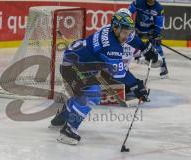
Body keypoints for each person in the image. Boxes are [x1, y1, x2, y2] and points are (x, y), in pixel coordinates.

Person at [49, 11, 158, 145]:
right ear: (116, 28)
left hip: (79, 63)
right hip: (72, 66)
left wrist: (144, 47)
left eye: (128, 32)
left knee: (86, 90)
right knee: (93, 93)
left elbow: (132, 38)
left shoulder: (112, 29)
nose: (127, 36)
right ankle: (67, 131)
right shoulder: (111, 46)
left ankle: (63, 117)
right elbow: (119, 74)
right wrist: (136, 85)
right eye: (125, 32)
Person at [129, 0, 168, 78]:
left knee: (157, 48)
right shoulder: (138, 2)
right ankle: (124, 65)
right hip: (137, 30)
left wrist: (156, 35)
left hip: (150, 31)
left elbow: (159, 24)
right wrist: (130, 26)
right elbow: (128, 13)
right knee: (128, 46)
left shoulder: (159, 8)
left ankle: (164, 68)